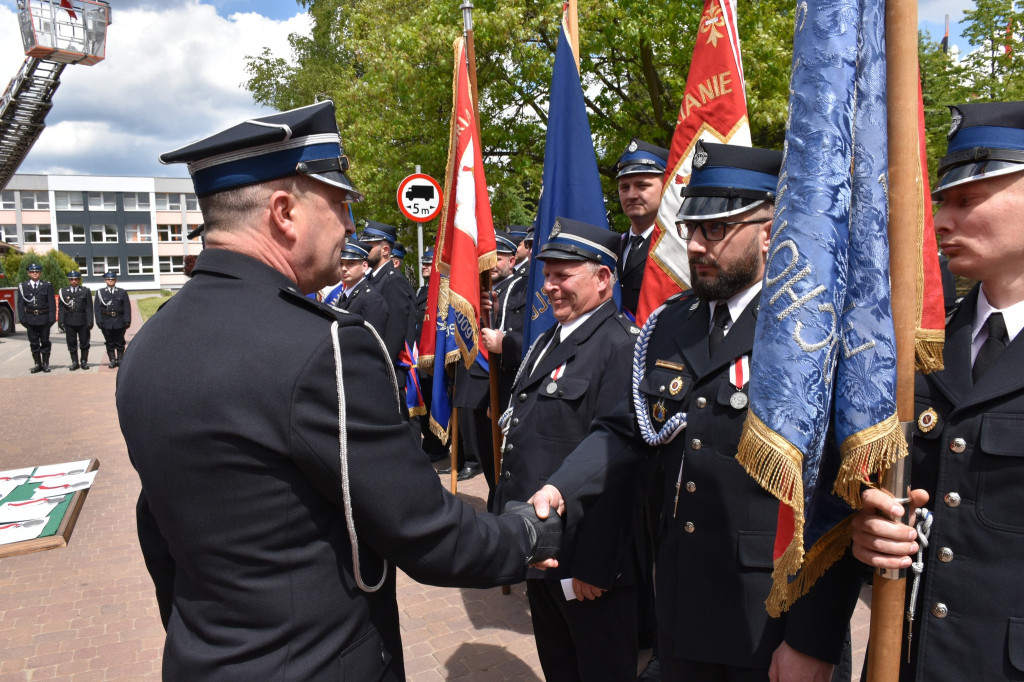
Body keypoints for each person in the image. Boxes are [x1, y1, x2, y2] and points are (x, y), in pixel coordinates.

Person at [119, 100, 560, 680]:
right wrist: (527, 533)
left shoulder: (149, 343)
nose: (350, 225)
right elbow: (421, 530)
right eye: (339, 203)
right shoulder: (322, 346)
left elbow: (157, 530)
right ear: (284, 212)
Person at [528, 142, 862, 681]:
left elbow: (837, 497)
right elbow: (627, 427)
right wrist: (562, 486)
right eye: (691, 230)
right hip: (684, 605)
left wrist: (812, 639)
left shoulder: (814, 331)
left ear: (770, 231)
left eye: (717, 230)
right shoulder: (671, 322)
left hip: (771, 615)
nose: (698, 246)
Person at [850, 100, 1024, 681]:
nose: (941, 220)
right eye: (942, 200)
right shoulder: (921, 345)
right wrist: (871, 527)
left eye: (967, 200)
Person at [494, 217, 645, 681]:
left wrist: (598, 566)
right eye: (548, 274)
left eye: (564, 275)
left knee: (598, 670)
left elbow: (618, 461)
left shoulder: (620, 346)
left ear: (603, 278)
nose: (551, 286)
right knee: (560, 667)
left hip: (585, 561)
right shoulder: (548, 338)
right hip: (543, 547)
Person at [451, 230, 520, 488]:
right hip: (476, 378)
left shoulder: (520, 288)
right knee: (488, 458)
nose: (492, 266)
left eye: (498, 259)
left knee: (503, 459)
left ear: (512, 261)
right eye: (487, 261)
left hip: (499, 379)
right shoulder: (476, 290)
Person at [615, 138, 669, 318]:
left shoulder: (676, 246)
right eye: (624, 187)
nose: (631, 195)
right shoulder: (612, 246)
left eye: (642, 186)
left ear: (665, 186)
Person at [360, 221, 417, 382]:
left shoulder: (393, 281)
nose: (364, 249)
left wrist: (382, 369)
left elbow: (395, 333)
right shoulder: (373, 278)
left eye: (368, 245)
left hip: (387, 372)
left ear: (385, 250)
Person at [334, 239, 389, 334]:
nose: (344, 268)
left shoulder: (372, 298)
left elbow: (374, 338)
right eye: (341, 263)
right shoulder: (345, 294)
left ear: (364, 266)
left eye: (351, 263)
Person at [16, 262, 56, 373]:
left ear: (40, 273)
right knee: (34, 343)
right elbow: (20, 304)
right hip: (30, 319)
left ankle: (46, 364)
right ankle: (38, 364)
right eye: (32, 272)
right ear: (29, 273)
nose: (35, 273)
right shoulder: (23, 286)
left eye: (37, 272)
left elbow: (51, 303)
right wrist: (22, 319)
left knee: (45, 341)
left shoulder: (47, 285)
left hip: (44, 318)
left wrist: (52, 319)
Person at [57, 270, 93, 371]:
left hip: (82, 321)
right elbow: (61, 308)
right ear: (69, 280)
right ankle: (74, 362)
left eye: (76, 279)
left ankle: (84, 361)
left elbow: (89, 307)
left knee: (84, 342)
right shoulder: (64, 291)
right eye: (71, 279)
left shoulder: (85, 291)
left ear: (79, 280)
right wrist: (61, 321)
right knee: (71, 342)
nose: (73, 281)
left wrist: (90, 321)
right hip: (69, 321)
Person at [94, 271, 130, 368]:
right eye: (108, 279)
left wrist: (127, 320)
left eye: (112, 279)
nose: (110, 280)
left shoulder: (122, 292)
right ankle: (112, 360)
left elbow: (127, 307)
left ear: (115, 280)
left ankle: (120, 359)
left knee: (120, 341)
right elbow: (97, 308)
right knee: (109, 341)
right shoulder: (100, 292)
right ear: (105, 280)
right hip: (106, 320)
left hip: (119, 320)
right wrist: (99, 321)